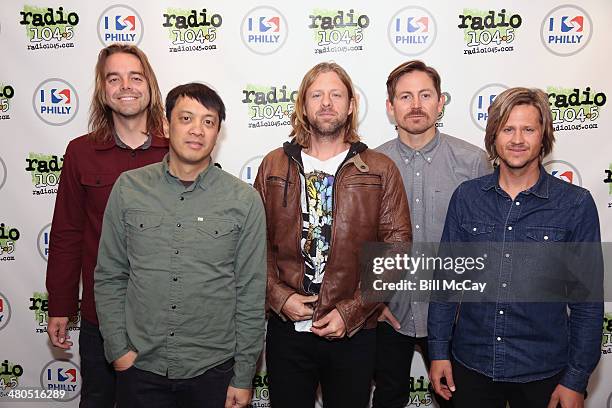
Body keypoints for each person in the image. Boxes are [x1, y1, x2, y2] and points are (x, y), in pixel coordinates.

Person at [428, 87, 603, 408]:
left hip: (545, 373)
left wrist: (575, 379)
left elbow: (587, 304)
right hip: (471, 366)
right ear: (493, 136)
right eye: (508, 129)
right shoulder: (467, 197)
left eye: (528, 129)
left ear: (544, 136)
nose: (517, 139)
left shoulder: (575, 205)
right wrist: (438, 351)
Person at [94, 82, 266, 408]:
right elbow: (110, 275)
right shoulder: (129, 189)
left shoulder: (243, 201)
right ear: (165, 124)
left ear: (218, 133)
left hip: (214, 374)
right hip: (140, 369)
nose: (197, 130)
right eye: (186, 118)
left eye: (209, 121)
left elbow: (251, 293)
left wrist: (243, 376)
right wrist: (119, 351)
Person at [254, 62, 412, 408]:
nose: (327, 102)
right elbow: (254, 247)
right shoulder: (273, 165)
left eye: (336, 94)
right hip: (287, 329)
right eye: (317, 94)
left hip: (353, 332)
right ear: (303, 105)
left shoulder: (379, 169)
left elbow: (396, 250)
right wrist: (279, 297)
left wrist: (351, 311)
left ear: (351, 105)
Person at [45, 43, 168, 407]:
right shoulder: (80, 152)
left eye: (135, 77)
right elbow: (67, 233)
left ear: (150, 85)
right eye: (113, 78)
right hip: (102, 318)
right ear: (103, 90)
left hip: (165, 319)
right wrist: (60, 304)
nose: (125, 86)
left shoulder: (177, 150)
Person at [374, 60, 491, 408]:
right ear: (390, 107)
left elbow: (487, 246)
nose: (415, 105)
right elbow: (356, 240)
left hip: (455, 317)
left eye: (425, 95)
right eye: (405, 96)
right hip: (389, 315)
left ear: (441, 102)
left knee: (461, 401)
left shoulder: (473, 163)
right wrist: (370, 303)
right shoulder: (370, 165)